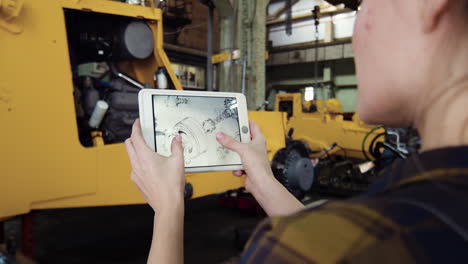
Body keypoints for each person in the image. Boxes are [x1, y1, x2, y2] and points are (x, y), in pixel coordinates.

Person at [124, 0, 468, 262]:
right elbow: (335, 243)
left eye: (364, 4)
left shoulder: (292, 247)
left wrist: (168, 210)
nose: (356, 29)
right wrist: (265, 182)